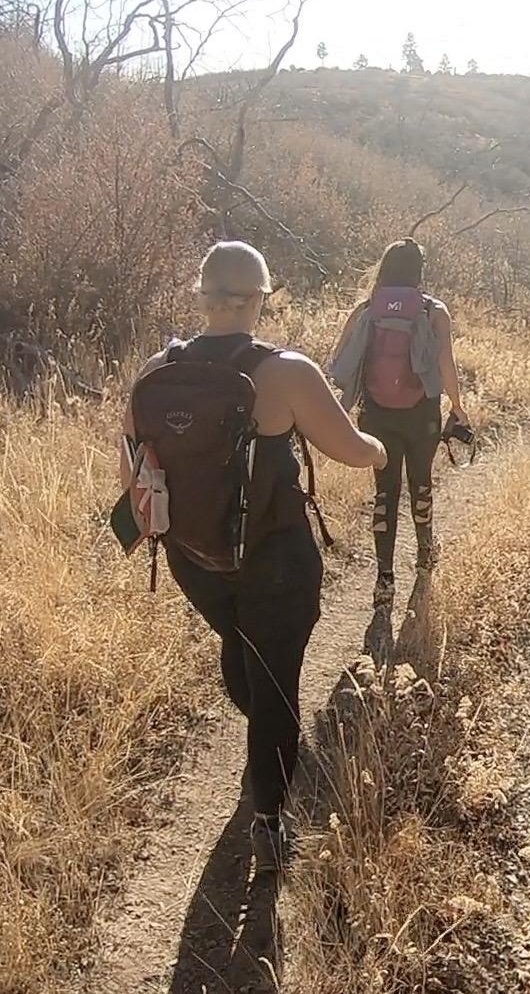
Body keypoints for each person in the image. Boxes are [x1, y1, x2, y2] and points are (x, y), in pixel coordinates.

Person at [119, 241, 388, 872]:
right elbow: (350, 448)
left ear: (204, 298)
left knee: (242, 653)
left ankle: (266, 740)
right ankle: (268, 817)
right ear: (261, 300)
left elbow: (134, 473)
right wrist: (382, 452)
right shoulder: (287, 371)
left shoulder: (154, 373)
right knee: (274, 681)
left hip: (193, 555)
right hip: (276, 559)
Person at [329, 238, 468, 608]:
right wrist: (457, 406)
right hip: (421, 413)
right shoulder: (433, 310)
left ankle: (384, 580)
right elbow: (446, 366)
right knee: (421, 483)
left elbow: (340, 358)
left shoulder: (366, 308)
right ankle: (425, 558)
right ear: (419, 271)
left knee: (385, 493)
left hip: (376, 413)